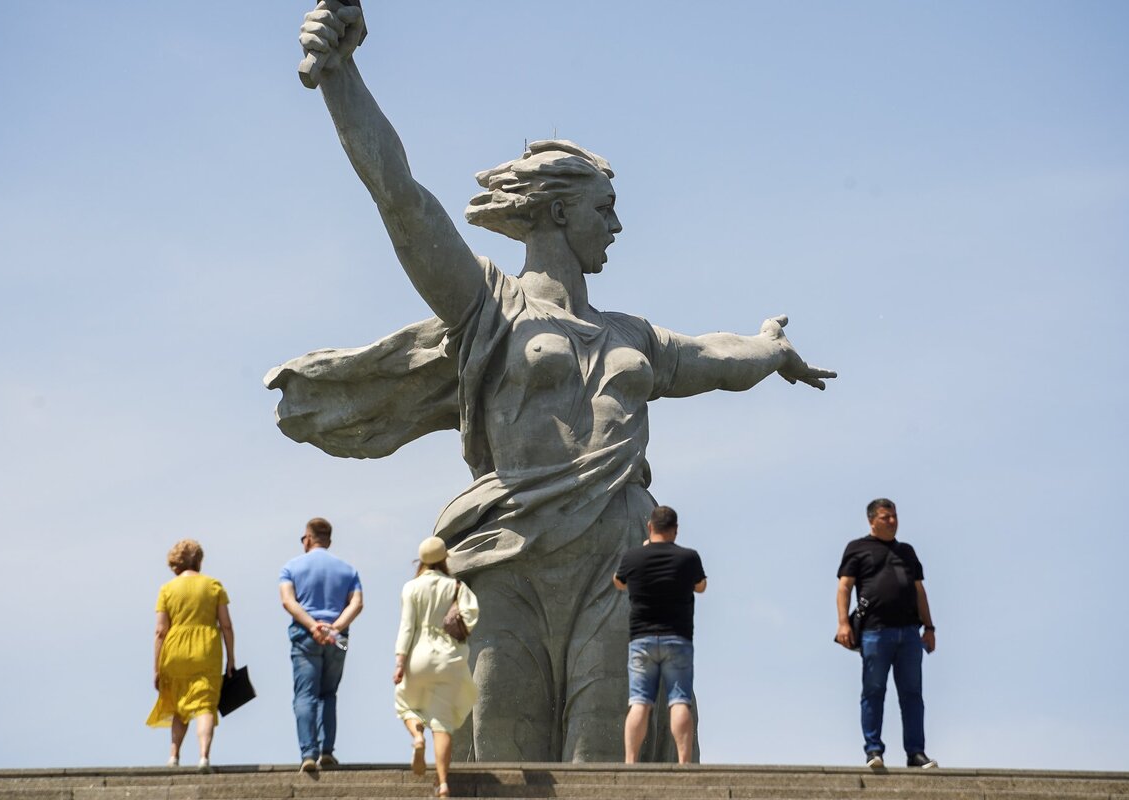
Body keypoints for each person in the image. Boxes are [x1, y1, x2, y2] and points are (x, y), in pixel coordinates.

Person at [268, 5, 835, 761]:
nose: (618, 227)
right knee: (505, 761)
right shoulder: (487, 307)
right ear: (561, 212)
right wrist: (341, 76)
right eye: (606, 209)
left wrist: (771, 348)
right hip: (509, 562)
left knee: (607, 761)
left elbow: (716, 356)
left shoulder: (635, 337)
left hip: (613, 569)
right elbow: (402, 200)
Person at [835, 498, 938, 769]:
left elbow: (919, 591)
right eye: (885, 517)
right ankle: (873, 750)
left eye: (894, 516)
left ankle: (916, 753)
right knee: (873, 691)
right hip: (874, 633)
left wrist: (929, 627)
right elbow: (844, 587)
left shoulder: (907, 551)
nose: (892, 521)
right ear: (872, 520)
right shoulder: (857, 548)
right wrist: (843, 624)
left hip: (909, 633)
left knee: (912, 695)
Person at [612, 506, 707, 764]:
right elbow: (701, 586)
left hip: (642, 641)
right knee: (679, 702)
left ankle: (630, 762)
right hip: (677, 639)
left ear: (650, 528)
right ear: (675, 531)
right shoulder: (688, 558)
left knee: (640, 703)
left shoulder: (633, 558)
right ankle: (684, 762)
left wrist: (644, 550)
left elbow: (618, 582)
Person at [394, 537, 480, 797]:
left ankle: (417, 736)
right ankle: (442, 783)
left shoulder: (411, 588)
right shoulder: (456, 587)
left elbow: (407, 627)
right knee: (442, 724)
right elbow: (471, 617)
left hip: (418, 656)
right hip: (448, 659)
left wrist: (400, 661)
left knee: (405, 703)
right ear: (445, 559)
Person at [279, 516, 364, 771]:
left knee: (305, 695)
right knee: (328, 693)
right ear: (329, 540)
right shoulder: (348, 570)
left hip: (306, 636)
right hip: (336, 638)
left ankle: (308, 753)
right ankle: (327, 751)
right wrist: (334, 627)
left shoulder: (291, 568)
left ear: (307, 538)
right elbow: (356, 603)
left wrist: (312, 625)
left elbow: (288, 601)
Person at [146, 539, 235, 772]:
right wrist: (232, 658)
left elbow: (159, 631)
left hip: (175, 651)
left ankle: (173, 756)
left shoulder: (167, 589)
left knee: (178, 705)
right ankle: (204, 757)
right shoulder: (213, 585)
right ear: (199, 560)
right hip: (206, 649)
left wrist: (156, 667)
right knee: (205, 705)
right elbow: (226, 625)